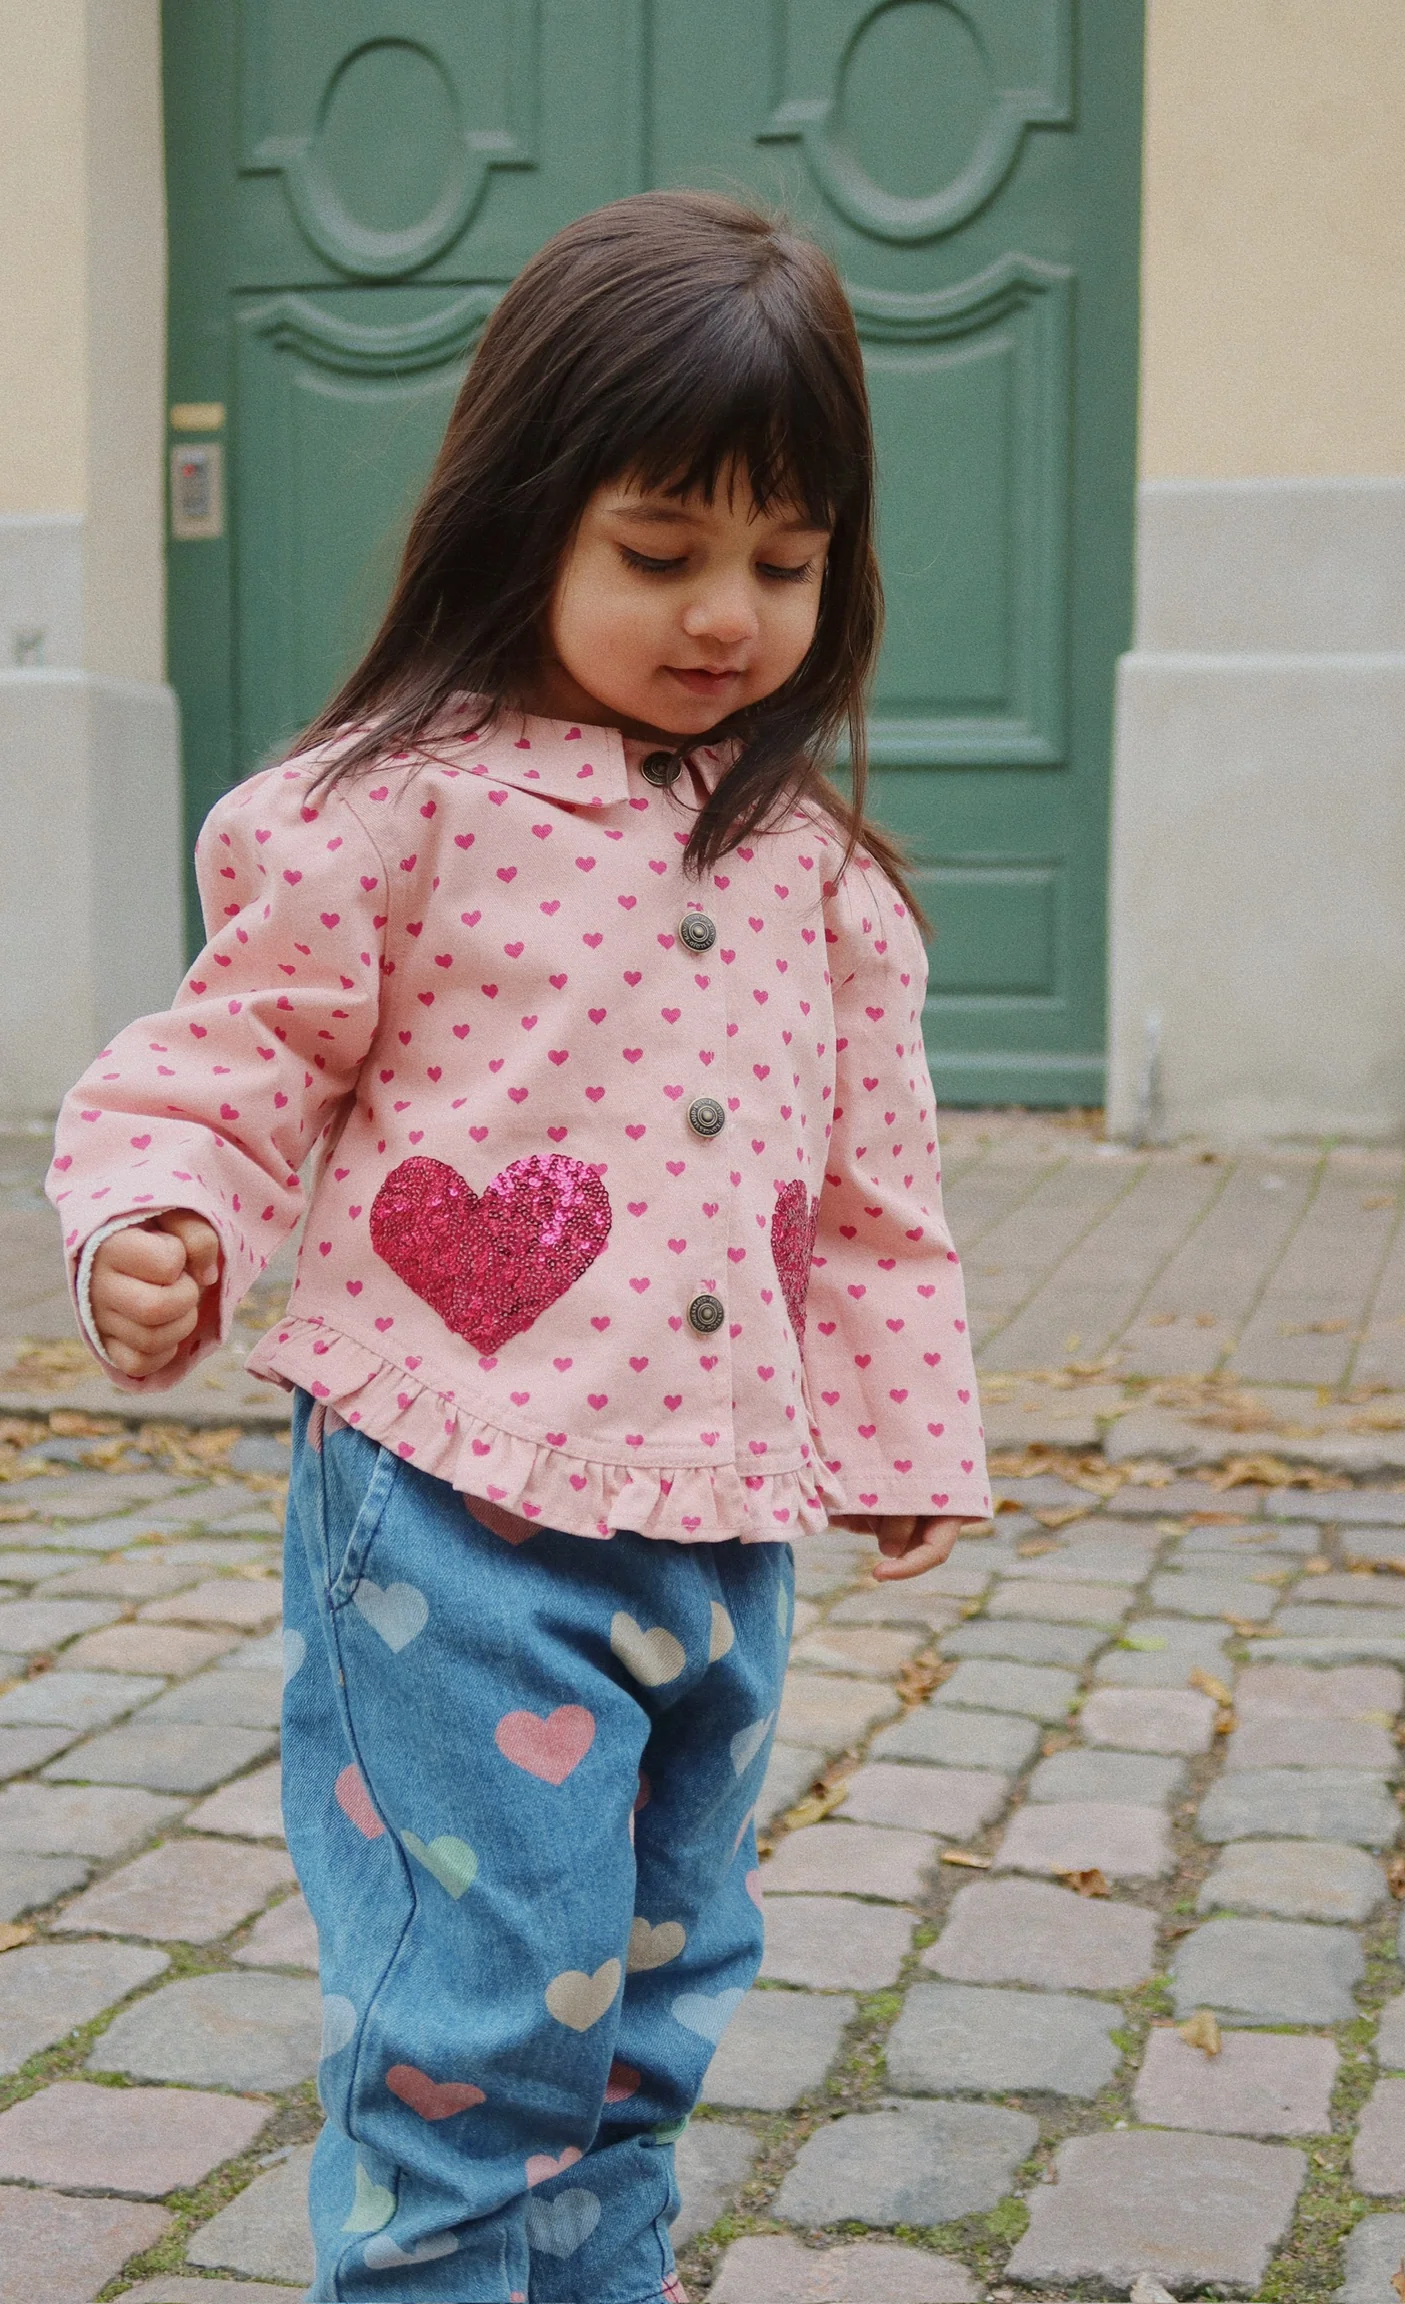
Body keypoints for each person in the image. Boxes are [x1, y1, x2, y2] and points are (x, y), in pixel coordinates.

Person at [49, 191, 991, 2304]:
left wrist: (903, 1427)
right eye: (659, 553)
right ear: (522, 516)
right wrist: (161, 1218)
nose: (726, 615)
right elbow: (226, 1063)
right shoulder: (391, 811)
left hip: (719, 1535)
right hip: (449, 1521)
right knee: (479, 2024)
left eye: (785, 560)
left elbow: (873, 1202)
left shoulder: (821, 879)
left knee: (656, 2001)